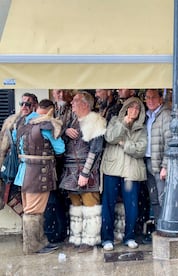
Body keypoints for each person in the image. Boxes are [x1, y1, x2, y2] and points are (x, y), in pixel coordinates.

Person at [14, 99, 65, 254]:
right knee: (34, 211)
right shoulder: (46, 126)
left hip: (23, 173)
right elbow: (60, 149)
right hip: (38, 174)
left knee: (30, 210)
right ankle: (32, 246)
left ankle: (40, 241)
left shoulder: (21, 125)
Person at [60, 91, 106, 252]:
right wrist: (65, 131)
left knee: (90, 207)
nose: (72, 103)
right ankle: (76, 237)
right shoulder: (72, 120)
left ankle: (90, 239)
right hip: (70, 170)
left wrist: (85, 173)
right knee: (76, 206)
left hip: (87, 171)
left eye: (75, 101)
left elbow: (95, 150)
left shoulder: (96, 121)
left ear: (85, 104)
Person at [101, 97, 147, 251]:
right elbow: (110, 137)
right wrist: (124, 123)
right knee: (108, 204)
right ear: (126, 108)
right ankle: (107, 238)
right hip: (112, 168)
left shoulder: (142, 127)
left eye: (137, 108)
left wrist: (124, 144)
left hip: (131, 170)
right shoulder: (115, 120)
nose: (134, 110)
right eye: (131, 107)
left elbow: (141, 150)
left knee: (131, 206)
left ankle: (130, 236)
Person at [43, 89, 75, 246]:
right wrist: (63, 130)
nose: (61, 95)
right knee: (54, 199)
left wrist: (64, 130)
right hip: (52, 161)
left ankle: (66, 230)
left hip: (68, 158)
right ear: (53, 94)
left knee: (66, 197)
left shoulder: (73, 109)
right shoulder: (50, 110)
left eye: (63, 92)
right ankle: (58, 231)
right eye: (57, 92)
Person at [0, 93, 38, 212]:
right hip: (13, 167)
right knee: (13, 198)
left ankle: (34, 227)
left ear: (34, 106)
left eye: (28, 104)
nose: (24, 106)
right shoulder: (12, 121)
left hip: (32, 168)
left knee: (32, 203)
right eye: (22, 103)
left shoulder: (39, 121)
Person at [144, 89, 171, 220]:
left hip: (159, 163)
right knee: (153, 197)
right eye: (147, 97)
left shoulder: (165, 115)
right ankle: (158, 227)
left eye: (153, 97)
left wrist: (165, 166)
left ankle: (165, 226)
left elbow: (169, 141)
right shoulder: (147, 116)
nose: (150, 100)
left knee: (163, 197)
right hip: (148, 160)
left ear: (161, 99)